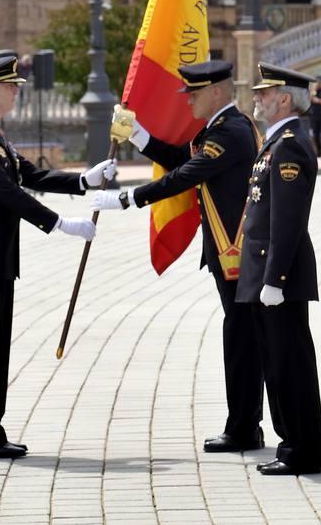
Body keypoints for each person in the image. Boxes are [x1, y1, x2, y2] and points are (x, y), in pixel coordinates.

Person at [0, 55, 116, 460]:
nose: (17, 91)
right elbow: (6, 192)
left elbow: (29, 175)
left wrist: (82, 180)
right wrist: (60, 225)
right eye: (10, 85)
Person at [92, 60, 265, 453]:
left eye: (195, 93)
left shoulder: (230, 132)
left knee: (241, 340)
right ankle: (245, 424)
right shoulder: (222, 128)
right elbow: (185, 163)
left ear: (218, 92)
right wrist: (137, 135)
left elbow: (187, 175)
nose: (188, 100)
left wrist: (127, 198)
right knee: (241, 337)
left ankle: (243, 428)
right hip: (229, 253)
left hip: (235, 252)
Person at [236, 62, 321, 476]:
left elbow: (287, 220)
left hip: (277, 277)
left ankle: (301, 450)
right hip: (264, 273)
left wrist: (275, 279)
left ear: (285, 99)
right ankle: (292, 444)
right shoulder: (276, 142)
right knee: (277, 363)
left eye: (265, 92)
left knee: (290, 365)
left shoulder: (289, 145)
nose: (258, 97)